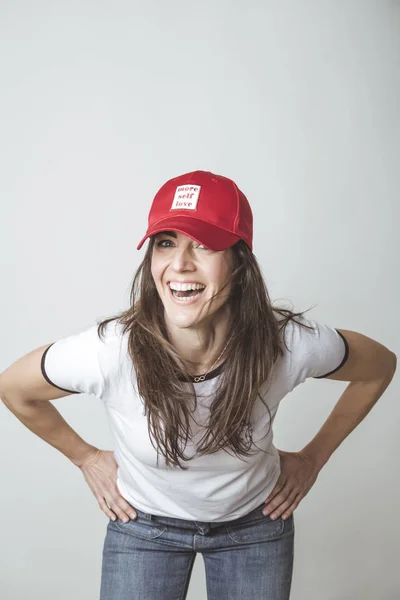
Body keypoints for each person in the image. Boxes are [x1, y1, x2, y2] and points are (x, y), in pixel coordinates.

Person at [0, 170, 396, 600]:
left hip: (255, 527)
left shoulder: (287, 342)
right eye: (165, 243)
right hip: (144, 529)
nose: (180, 264)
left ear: (240, 261)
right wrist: (86, 458)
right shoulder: (109, 350)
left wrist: (313, 460)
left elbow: (379, 365)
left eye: (204, 244)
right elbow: (14, 387)